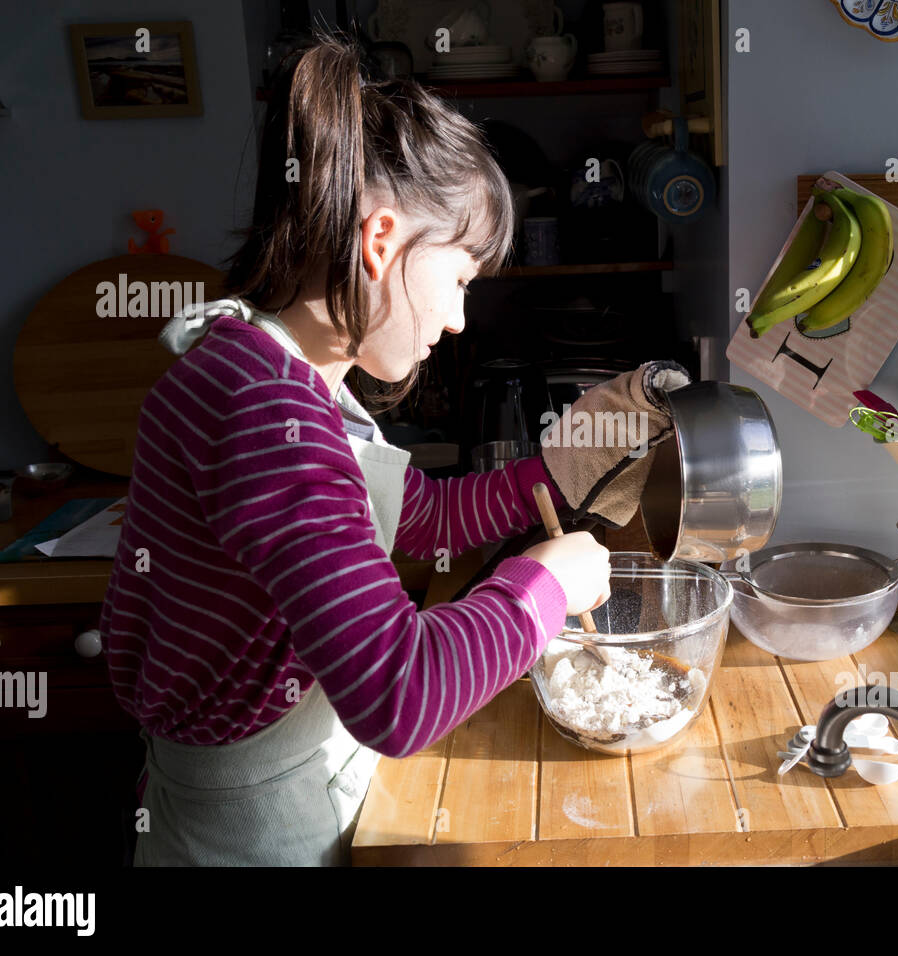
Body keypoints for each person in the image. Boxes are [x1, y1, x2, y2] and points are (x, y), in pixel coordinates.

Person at [98, 32, 688, 866]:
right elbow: (398, 693)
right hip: (255, 825)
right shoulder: (269, 415)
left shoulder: (268, 366)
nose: (456, 321)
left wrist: (564, 467)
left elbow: (423, 521)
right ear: (379, 242)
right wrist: (544, 586)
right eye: (458, 282)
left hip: (281, 769)